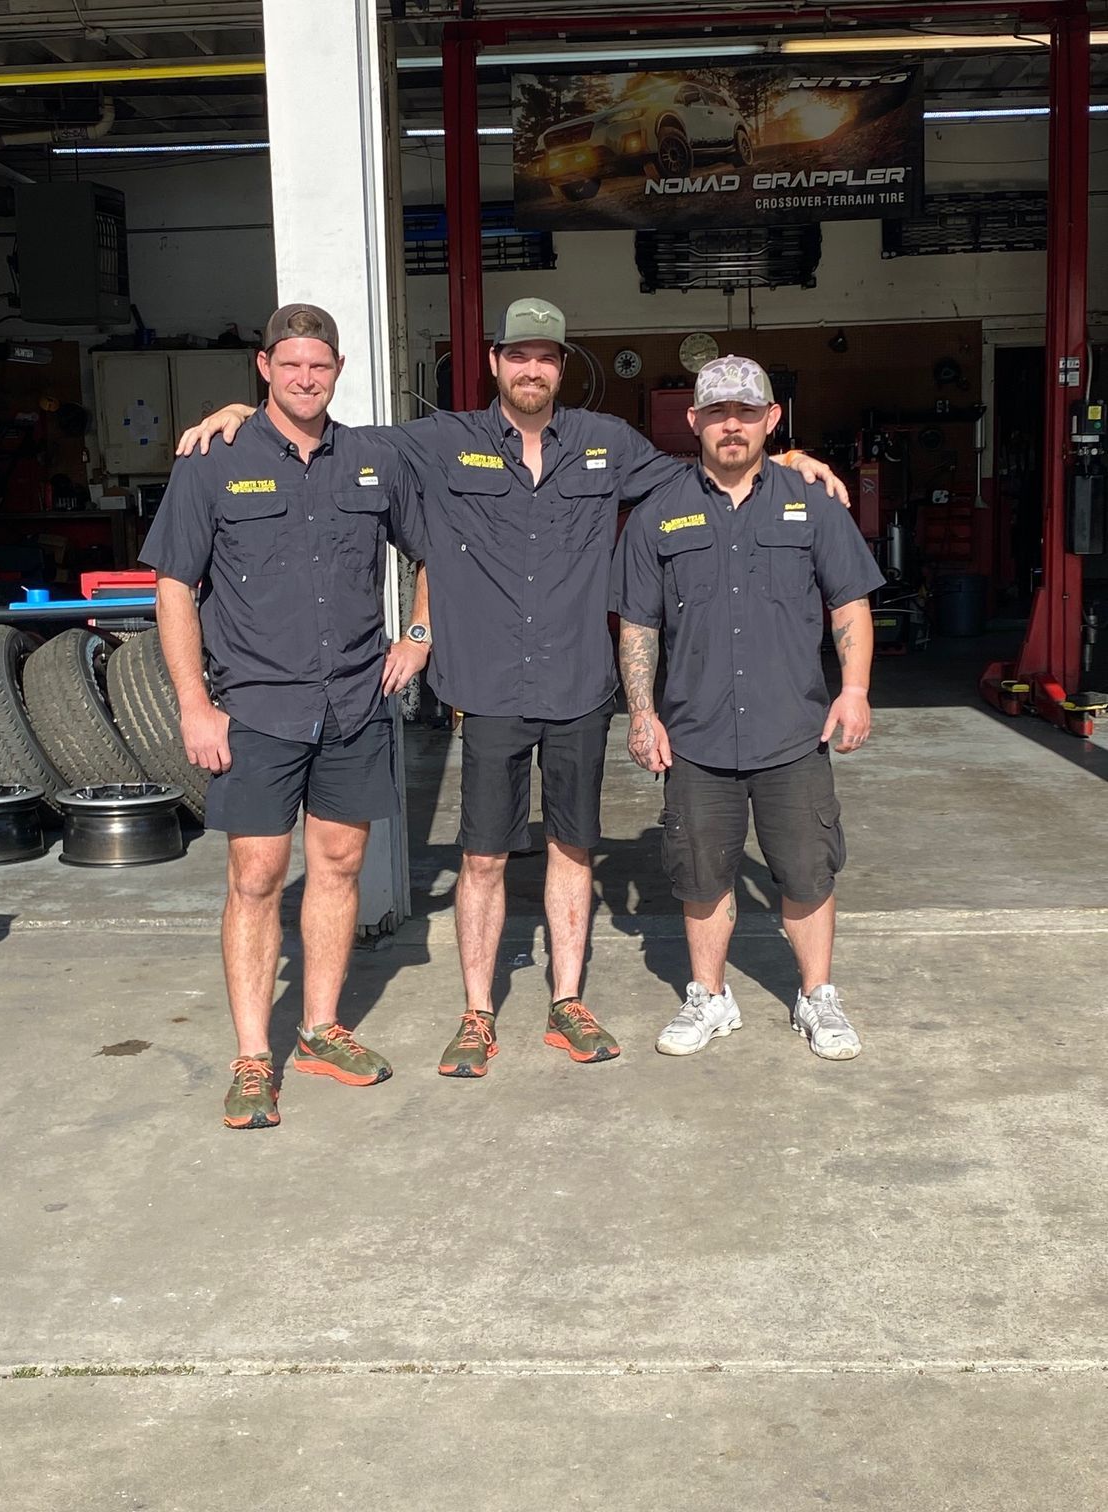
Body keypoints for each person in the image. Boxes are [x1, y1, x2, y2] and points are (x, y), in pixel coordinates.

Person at [176, 299, 849, 1081]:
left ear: (563, 367)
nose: (533, 369)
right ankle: (477, 1011)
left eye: (548, 356)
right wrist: (239, 410)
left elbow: (711, 469)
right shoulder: (441, 441)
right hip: (488, 687)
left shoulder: (607, 445)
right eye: (519, 355)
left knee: (573, 845)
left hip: (576, 684)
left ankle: (567, 1002)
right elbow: (329, 439)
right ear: (494, 361)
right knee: (483, 856)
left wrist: (791, 459)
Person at [142, 304, 430, 1130]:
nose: (307, 378)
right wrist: (195, 704)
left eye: (321, 366)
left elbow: (435, 548)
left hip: (353, 702)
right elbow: (172, 588)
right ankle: (251, 1056)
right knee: (257, 876)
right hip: (258, 709)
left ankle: (319, 1029)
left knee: (338, 864)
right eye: (291, 364)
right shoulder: (213, 460)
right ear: (264, 367)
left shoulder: (374, 460)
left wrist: (418, 634)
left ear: (338, 369)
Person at [611, 354, 884, 1061]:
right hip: (697, 736)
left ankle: (817, 995)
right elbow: (638, 624)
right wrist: (642, 712)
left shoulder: (811, 503)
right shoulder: (658, 515)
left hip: (792, 732)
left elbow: (849, 602)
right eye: (717, 413)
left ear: (770, 419)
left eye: (745, 412)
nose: (731, 425)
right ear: (694, 421)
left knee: (807, 872)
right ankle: (710, 996)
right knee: (700, 877)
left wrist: (854, 690)